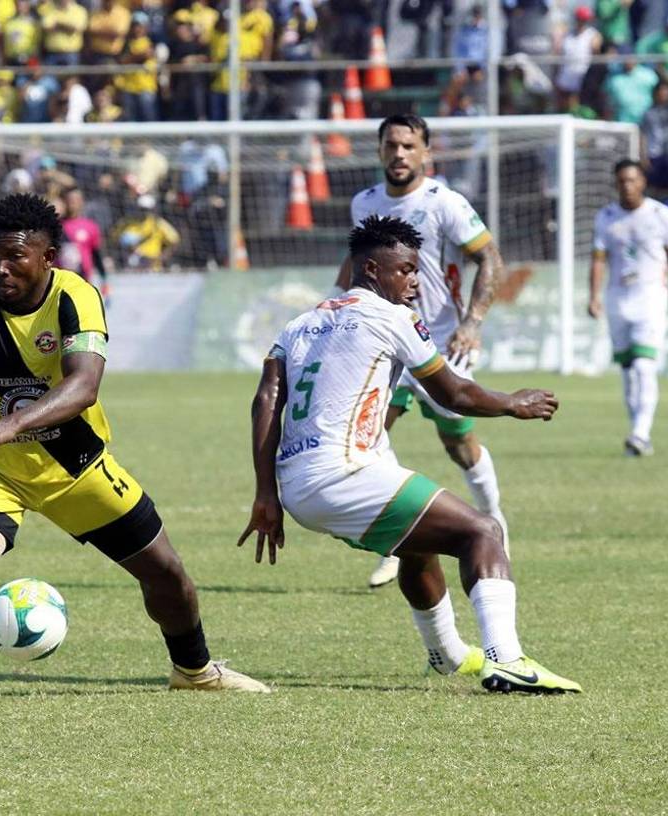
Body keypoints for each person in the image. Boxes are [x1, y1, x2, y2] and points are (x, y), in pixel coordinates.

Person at [0, 193, 267, 702]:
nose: (0, 268)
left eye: (14, 256)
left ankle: (194, 670)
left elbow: (84, 387)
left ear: (47, 257)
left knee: (167, 574)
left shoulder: (75, 298)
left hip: (78, 467)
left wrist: (9, 424)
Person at [240, 214, 581, 695]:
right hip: (345, 476)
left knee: (417, 542)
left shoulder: (302, 323)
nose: (416, 281)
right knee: (483, 531)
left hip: (298, 487)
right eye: (406, 269)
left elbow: (266, 399)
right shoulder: (393, 318)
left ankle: (448, 654)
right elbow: (453, 393)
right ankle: (506, 659)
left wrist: (265, 493)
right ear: (372, 271)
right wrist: (512, 403)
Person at [333, 114, 512, 590]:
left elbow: (490, 258)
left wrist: (472, 324)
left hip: (439, 341)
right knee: (369, 434)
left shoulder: (445, 203)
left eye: (409, 146)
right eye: (391, 145)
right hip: (382, 337)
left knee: (458, 443)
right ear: (379, 151)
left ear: (426, 153)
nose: (399, 154)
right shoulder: (364, 203)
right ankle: (398, 544)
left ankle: (493, 519)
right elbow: (355, 264)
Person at [588, 160, 668, 457]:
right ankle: (638, 434)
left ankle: (640, 432)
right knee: (628, 370)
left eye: (632, 180)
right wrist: (593, 295)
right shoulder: (606, 217)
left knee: (645, 366)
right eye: (622, 181)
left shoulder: (661, 214)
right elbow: (598, 259)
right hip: (618, 297)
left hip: (651, 296)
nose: (627, 186)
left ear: (642, 182)